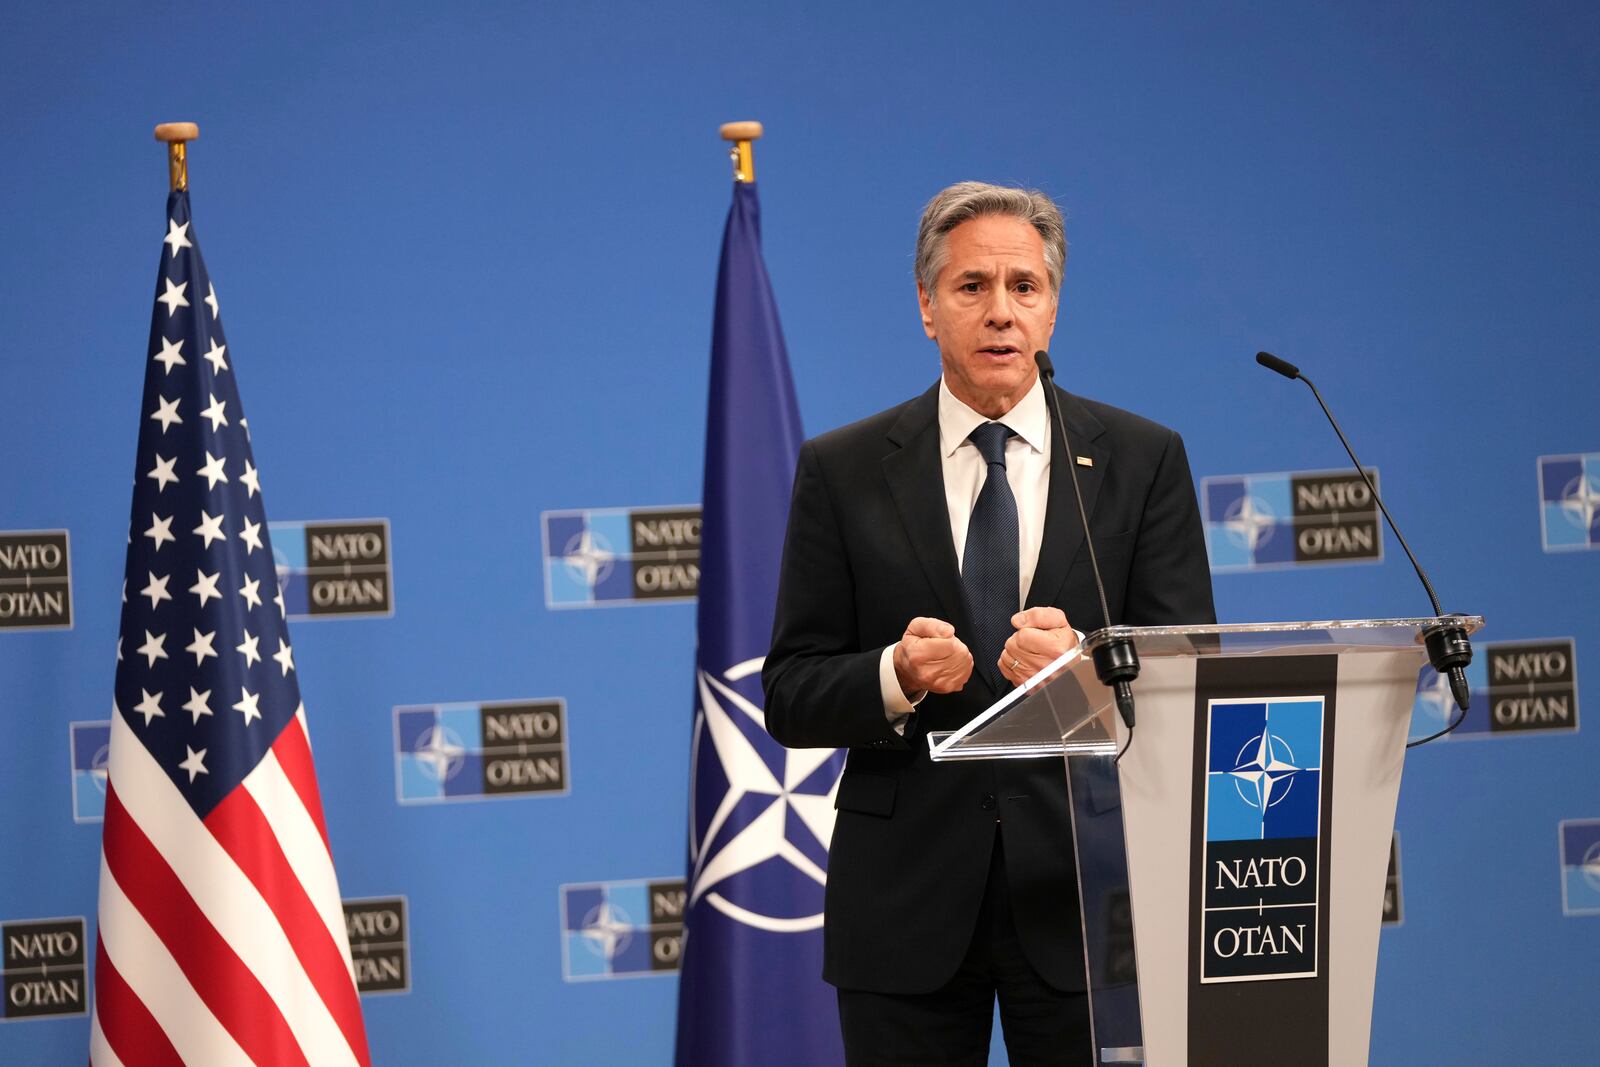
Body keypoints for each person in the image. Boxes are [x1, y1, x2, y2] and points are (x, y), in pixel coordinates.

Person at [762, 181, 1216, 1066]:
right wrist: (892, 674)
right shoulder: (843, 469)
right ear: (928, 308)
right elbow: (790, 690)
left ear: (1053, 309)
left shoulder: (1141, 459)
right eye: (972, 287)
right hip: (904, 902)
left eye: (1024, 286)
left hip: (1091, 894)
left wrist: (1088, 668)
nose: (1000, 311)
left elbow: (1189, 680)